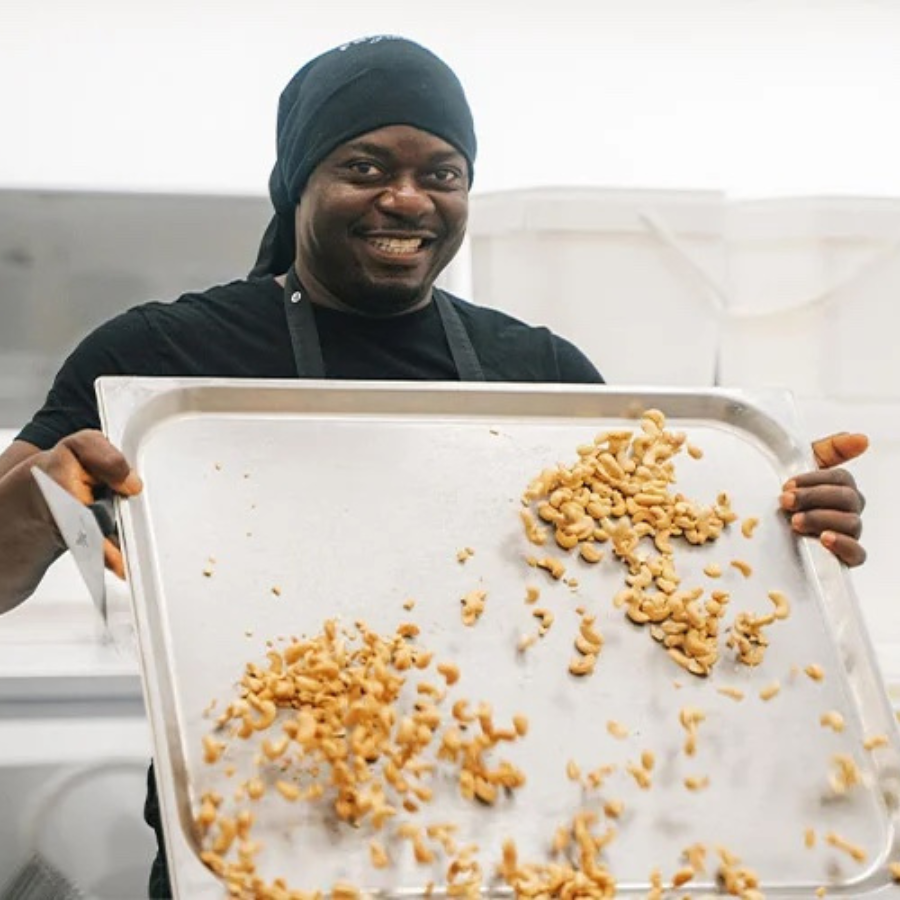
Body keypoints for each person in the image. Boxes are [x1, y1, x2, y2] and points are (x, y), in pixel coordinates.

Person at [0, 35, 868, 898]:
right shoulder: (164, 358)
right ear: (298, 181)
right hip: (256, 833)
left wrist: (778, 516)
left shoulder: (542, 372)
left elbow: (648, 594)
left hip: (514, 835)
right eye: (366, 167)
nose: (406, 199)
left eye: (442, 174)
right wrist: (44, 504)